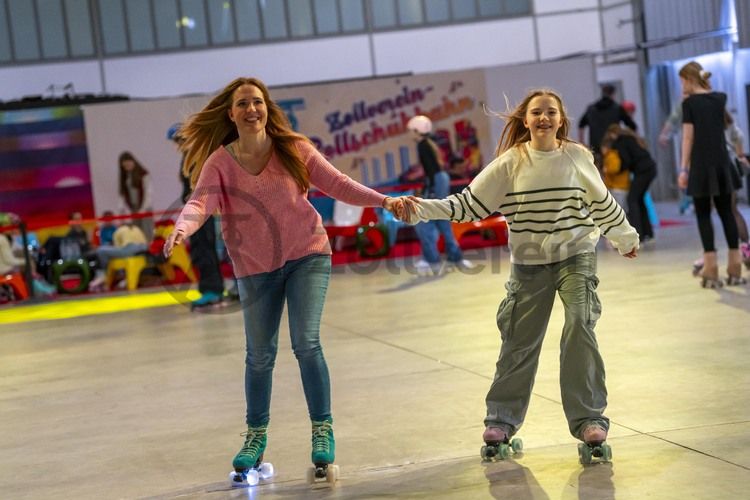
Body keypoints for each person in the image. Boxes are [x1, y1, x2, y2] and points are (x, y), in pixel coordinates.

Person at [162, 77, 406, 485]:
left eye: (257, 102)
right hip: (254, 267)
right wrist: (182, 228)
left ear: (267, 108)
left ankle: (322, 430)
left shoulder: (293, 148)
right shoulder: (220, 162)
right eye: (243, 104)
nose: (251, 109)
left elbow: (338, 183)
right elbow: (200, 201)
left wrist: (384, 201)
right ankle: (255, 438)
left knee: (306, 343)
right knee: (259, 355)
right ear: (231, 113)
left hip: (306, 255)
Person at [402, 89, 639, 458]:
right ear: (525, 120)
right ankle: (501, 418)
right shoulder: (511, 162)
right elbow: (467, 205)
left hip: (575, 254)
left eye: (551, 112)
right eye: (536, 112)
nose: (544, 118)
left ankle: (589, 418)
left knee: (580, 323)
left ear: (561, 120)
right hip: (529, 262)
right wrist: (419, 210)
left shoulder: (577, 157)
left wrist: (624, 236)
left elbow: (601, 201)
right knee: (519, 339)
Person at [677, 62, 745, 287]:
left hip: (701, 165)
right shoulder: (720, 98)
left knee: (704, 214)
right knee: (727, 212)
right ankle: (735, 268)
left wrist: (683, 168)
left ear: (688, 78)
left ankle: (711, 269)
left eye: (682, 80)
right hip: (722, 164)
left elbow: (688, 138)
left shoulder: (689, 104)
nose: (681, 85)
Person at [168, 123, 231, 309]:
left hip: (201, 211)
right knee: (201, 249)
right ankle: (213, 290)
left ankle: (212, 291)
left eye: (180, 140)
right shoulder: (189, 156)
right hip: (196, 210)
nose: (177, 144)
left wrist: (195, 195)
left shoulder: (196, 156)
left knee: (204, 249)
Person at [406, 115, 473, 274]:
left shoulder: (422, 145)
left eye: (411, 131)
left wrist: (430, 189)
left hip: (436, 181)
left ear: (417, 130)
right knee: (442, 219)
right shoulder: (429, 143)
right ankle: (455, 258)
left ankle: (432, 259)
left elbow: (429, 169)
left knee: (424, 221)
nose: (410, 134)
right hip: (440, 180)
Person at [605, 124, 658, 242]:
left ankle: (637, 235)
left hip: (643, 171)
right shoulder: (631, 138)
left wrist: (616, 170)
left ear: (613, 134)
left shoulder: (620, 142)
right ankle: (647, 233)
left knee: (632, 200)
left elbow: (626, 161)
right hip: (650, 169)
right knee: (639, 200)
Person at [578, 84, 637, 170]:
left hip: (595, 149)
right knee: (613, 174)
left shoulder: (591, 109)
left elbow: (581, 125)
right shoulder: (617, 108)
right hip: (613, 149)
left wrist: (582, 143)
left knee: (597, 176)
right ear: (613, 94)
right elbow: (632, 126)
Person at [88, 222, 149, 290]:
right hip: (144, 250)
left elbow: (117, 247)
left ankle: (103, 274)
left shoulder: (119, 230)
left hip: (130, 250)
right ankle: (122, 278)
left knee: (101, 250)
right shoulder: (136, 228)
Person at [118, 151, 153, 240]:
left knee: (147, 234)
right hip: (133, 209)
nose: (127, 167)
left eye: (128, 164)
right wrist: (124, 210)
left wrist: (143, 210)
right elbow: (123, 195)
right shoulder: (125, 177)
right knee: (136, 234)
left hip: (145, 208)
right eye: (125, 166)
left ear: (133, 162)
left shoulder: (144, 174)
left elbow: (148, 193)